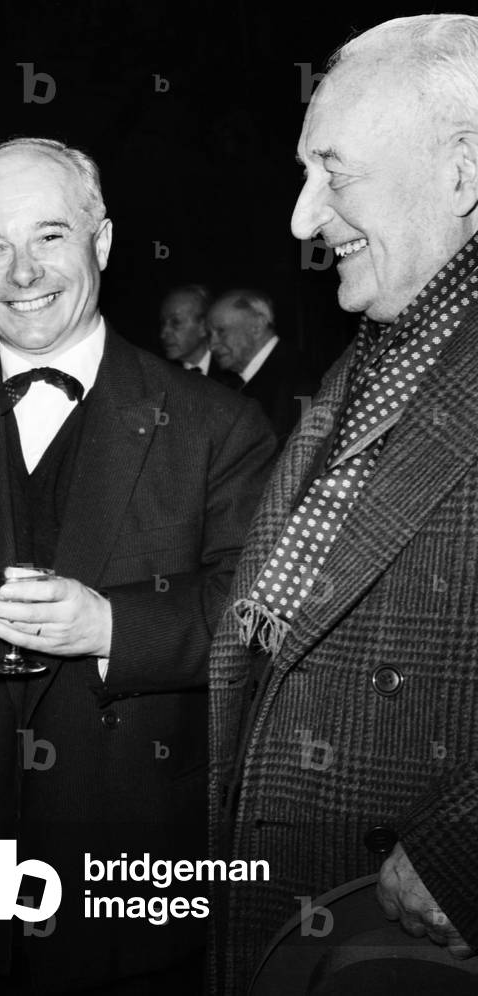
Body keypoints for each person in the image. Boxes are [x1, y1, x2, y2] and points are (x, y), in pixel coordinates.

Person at [0, 136, 275, 994]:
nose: (22, 272)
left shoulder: (219, 426)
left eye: (51, 237)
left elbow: (256, 615)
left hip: (133, 870)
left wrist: (112, 625)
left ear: (101, 242)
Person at [209, 14, 478, 994]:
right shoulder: (375, 350)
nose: (299, 218)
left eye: (335, 171)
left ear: (460, 173)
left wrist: (461, 852)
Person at [206, 288, 318, 440]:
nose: (212, 345)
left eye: (221, 331)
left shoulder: (301, 379)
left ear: (257, 326)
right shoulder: (229, 383)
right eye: (210, 334)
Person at [159, 283, 238, 386]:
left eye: (176, 322)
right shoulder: (160, 374)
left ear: (203, 326)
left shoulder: (233, 369)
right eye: (163, 323)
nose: (163, 334)